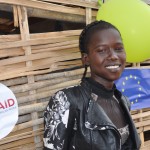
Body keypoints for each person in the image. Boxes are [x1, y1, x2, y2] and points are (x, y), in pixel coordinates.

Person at [43, 20, 141, 150]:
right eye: (101, 50)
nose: (113, 56)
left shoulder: (122, 100)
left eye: (118, 49)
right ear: (86, 59)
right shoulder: (66, 101)